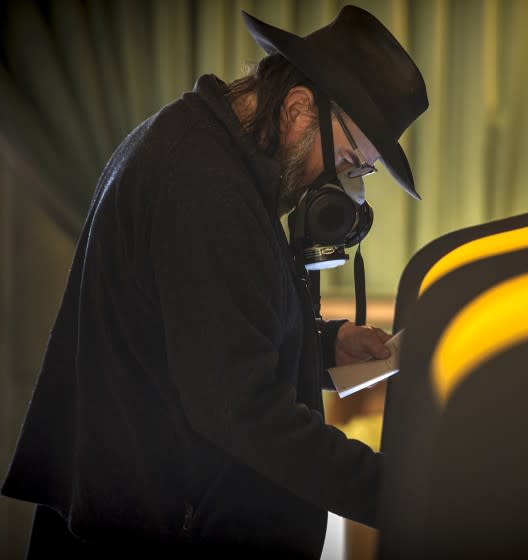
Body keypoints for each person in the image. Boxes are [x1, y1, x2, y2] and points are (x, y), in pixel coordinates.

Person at [1, 5, 427, 559]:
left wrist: (328, 345)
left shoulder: (213, 157)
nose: (344, 186)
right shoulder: (205, 189)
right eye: (348, 160)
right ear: (300, 109)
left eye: (358, 172)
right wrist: (407, 494)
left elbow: (211, 333)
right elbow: (242, 409)